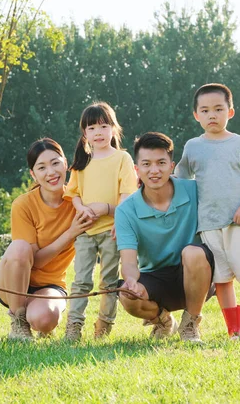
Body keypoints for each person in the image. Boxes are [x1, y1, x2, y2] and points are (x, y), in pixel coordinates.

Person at [115, 132, 240, 342]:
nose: (154, 170)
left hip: (197, 274)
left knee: (193, 252)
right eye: (147, 164)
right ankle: (163, 321)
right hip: (156, 277)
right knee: (128, 297)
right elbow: (129, 261)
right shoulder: (125, 210)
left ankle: (190, 323)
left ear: (172, 165)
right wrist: (131, 281)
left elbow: (227, 211)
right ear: (137, 170)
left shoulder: (195, 190)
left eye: (161, 163)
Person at [174, 83, 240, 341]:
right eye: (205, 110)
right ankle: (235, 332)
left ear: (230, 112)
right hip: (208, 225)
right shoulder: (192, 147)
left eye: (218, 109)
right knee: (222, 280)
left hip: (238, 225)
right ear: (196, 115)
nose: (212, 115)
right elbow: (180, 179)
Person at [0, 138, 113, 340]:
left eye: (55, 163)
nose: (51, 172)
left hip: (50, 285)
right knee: (20, 247)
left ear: (66, 164)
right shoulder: (23, 204)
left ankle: (35, 312)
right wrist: (71, 232)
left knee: (44, 320)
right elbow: (34, 261)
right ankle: (18, 321)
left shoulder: (79, 203)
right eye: (41, 167)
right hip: (11, 279)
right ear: (33, 174)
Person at [63, 102, 138, 341]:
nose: (98, 132)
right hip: (85, 230)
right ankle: (73, 326)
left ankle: (103, 326)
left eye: (104, 126)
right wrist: (81, 208)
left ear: (114, 129)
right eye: (92, 127)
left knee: (108, 281)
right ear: (85, 133)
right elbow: (72, 193)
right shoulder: (82, 161)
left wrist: (114, 215)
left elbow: (127, 194)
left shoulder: (122, 159)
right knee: (81, 281)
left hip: (112, 230)